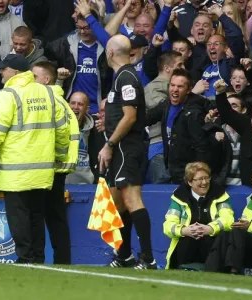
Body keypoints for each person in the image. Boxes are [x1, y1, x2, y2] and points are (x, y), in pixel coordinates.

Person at [0, 54, 70, 263]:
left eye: (3, 69)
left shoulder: (7, 95)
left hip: (16, 171)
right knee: (36, 215)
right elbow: (62, 130)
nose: (0, 72)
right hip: (43, 170)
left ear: (15, 72)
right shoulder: (47, 93)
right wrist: (59, 157)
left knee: (19, 216)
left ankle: (25, 257)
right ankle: (38, 258)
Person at [99, 34, 156, 269]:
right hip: (121, 146)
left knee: (132, 199)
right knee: (117, 200)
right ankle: (124, 255)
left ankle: (149, 258)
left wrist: (109, 144)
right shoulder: (120, 77)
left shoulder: (127, 77)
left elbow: (130, 117)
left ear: (110, 53)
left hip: (126, 146)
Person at [32, 61, 79, 264]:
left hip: (49, 167)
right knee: (55, 217)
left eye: (35, 77)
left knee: (41, 216)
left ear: (47, 79)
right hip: (56, 167)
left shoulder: (49, 103)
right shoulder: (59, 101)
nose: (31, 80)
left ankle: (38, 259)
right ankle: (62, 261)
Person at [163, 162, 234, 269]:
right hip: (187, 244)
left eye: (207, 178)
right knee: (185, 240)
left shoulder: (219, 195)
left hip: (211, 243)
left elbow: (228, 220)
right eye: (199, 179)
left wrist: (210, 228)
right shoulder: (179, 198)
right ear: (190, 182)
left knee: (214, 240)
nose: (204, 182)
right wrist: (184, 230)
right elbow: (168, 226)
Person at [146, 68, 210, 184]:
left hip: (188, 174)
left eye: (180, 87)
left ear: (189, 90)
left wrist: (199, 175)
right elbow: (145, 118)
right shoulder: (166, 105)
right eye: (172, 85)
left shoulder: (194, 112)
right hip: (171, 169)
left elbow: (201, 146)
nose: (175, 90)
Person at [144, 51, 184, 184]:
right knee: (161, 189)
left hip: (179, 144)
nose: (183, 68)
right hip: (159, 143)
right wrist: (193, 93)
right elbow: (164, 111)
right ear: (167, 67)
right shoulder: (152, 87)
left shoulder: (184, 87)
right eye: (180, 65)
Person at [66, 91, 95, 184]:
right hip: (63, 184)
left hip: (87, 184)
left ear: (87, 109)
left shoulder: (95, 129)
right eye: (73, 103)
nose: (75, 107)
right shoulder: (59, 127)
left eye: (80, 104)